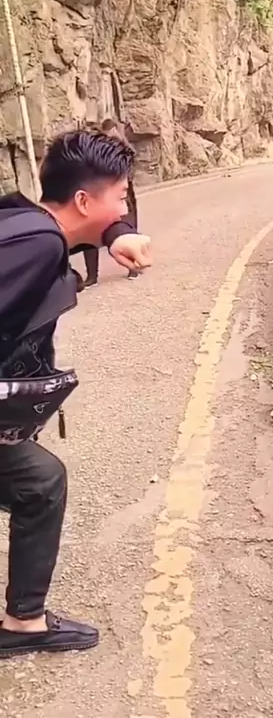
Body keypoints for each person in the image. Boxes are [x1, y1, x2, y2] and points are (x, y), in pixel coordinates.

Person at [0, 130, 151, 658]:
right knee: (38, 481)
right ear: (84, 200)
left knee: (39, 480)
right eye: (121, 197)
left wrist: (116, 235)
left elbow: (100, 221)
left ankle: (25, 621)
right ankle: (25, 622)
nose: (125, 208)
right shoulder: (40, 244)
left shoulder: (25, 220)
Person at [79, 118, 140, 288]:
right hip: (95, 196)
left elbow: (127, 173)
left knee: (125, 231)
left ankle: (132, 267)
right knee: (89, 235)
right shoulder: (87, 154)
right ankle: (92, 275)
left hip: (119, 197)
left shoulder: (121, 151)